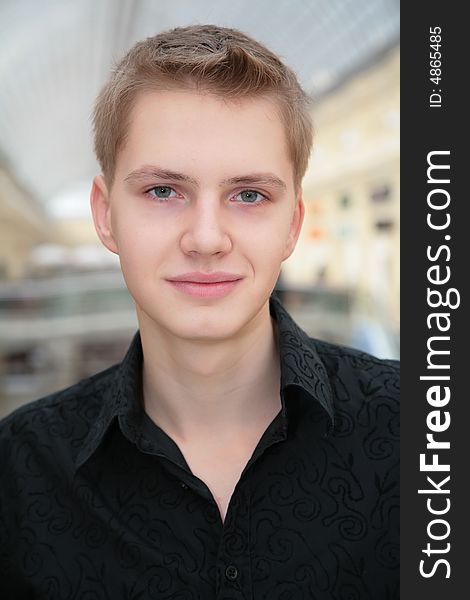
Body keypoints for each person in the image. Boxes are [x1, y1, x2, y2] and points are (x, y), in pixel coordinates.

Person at [0, 25, 399, 598]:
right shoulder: (20, 472)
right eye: (164, 191)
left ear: (292, 224)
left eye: (249, 195)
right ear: (105, 214)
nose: (207, 239)